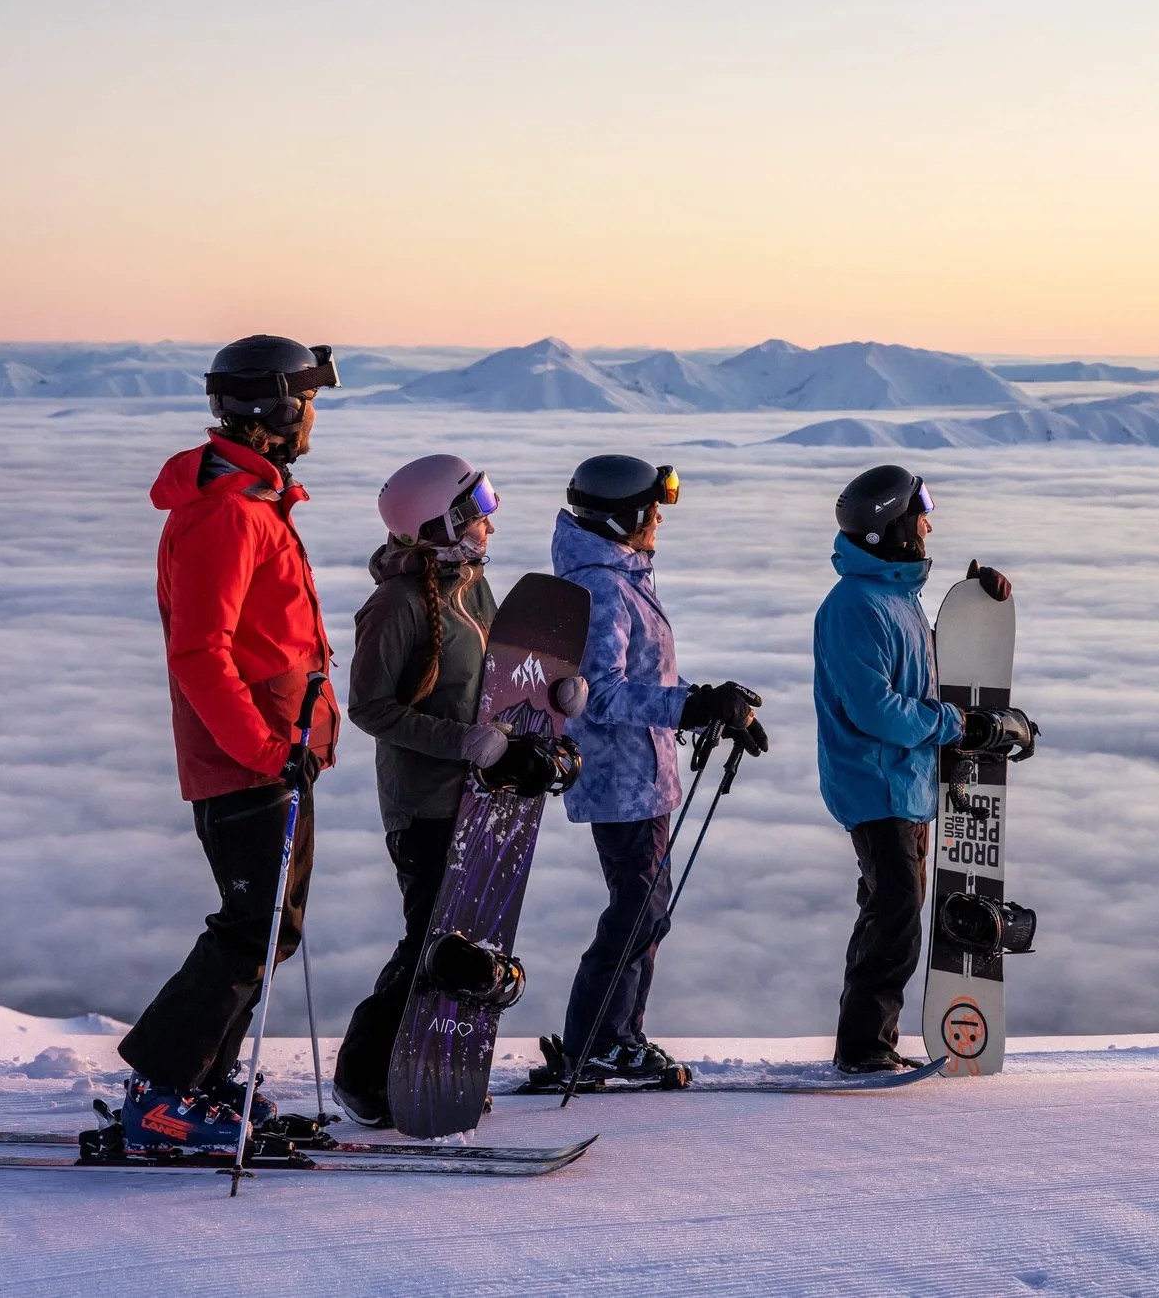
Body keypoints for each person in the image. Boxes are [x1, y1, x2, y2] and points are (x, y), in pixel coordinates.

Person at [116, 334, 343, 1153]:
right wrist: (262, 746)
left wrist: (296, 739)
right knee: (250, 929)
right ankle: (164, 1093)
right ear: (277, 408)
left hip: (278, 752)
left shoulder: (254, 505)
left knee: (270, 930)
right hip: (247, 758)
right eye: (309, 397)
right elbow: (200, 653)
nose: (316, 412)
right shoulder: (225, 517)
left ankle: (202, 1083)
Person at [529, 454, 760, 1091]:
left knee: (646, 910)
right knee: (638, 909)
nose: (658, 519)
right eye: (652, 508)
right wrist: (691, 705)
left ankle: (618, 1035)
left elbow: (645, 681)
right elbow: (600, 692)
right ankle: (596, 1041)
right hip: (621, 779)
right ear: (623, 514)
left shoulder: (619, 576)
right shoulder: (602, 585)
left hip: (642, 775)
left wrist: (711, 704)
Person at [329, 453, 534, 1127]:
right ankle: (364, 1078)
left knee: (462, 941)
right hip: (424, 803)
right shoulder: (394, 605)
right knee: (429, 942)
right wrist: (463, 743)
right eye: (478, 513)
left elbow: (496, 676)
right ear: (439, 525)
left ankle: (429, 1066)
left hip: (479, 797)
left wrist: (547, 699)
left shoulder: (471, 585)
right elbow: (369, 708)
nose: (489, 526)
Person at [814, 465, 1028, 1074]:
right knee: (898, 918)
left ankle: (866, 1040)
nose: (929, 521)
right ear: (892, 527)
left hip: (904, 785)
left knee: (888, 912)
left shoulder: (894, 599)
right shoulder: (856, 607)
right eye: (920, 512)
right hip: (875, 784)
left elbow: (918, 671)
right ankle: (863, 1049)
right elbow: (874, 707)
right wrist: (952, 726)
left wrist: (971, 606)